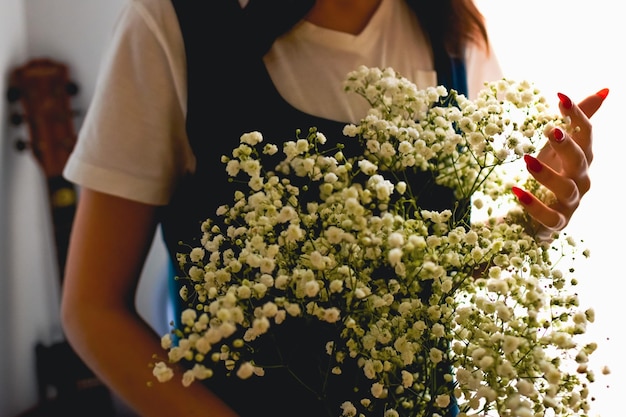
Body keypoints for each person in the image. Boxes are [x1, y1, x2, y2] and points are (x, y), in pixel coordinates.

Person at [60, 0, 608, 416]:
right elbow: (92, 310)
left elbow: (433, 264)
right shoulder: (174, 24)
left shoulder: (452, 29)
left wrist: (528, 222)